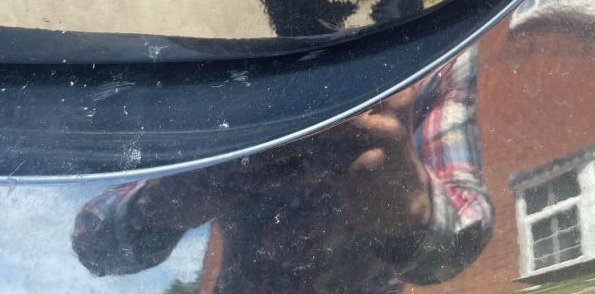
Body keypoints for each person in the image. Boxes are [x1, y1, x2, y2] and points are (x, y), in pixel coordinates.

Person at [73, 48, 493, 293]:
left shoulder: (432, 50)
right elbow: (93, 240)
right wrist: (161, 201)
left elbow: (465, 224)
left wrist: (413, 208)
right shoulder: (212, 46)